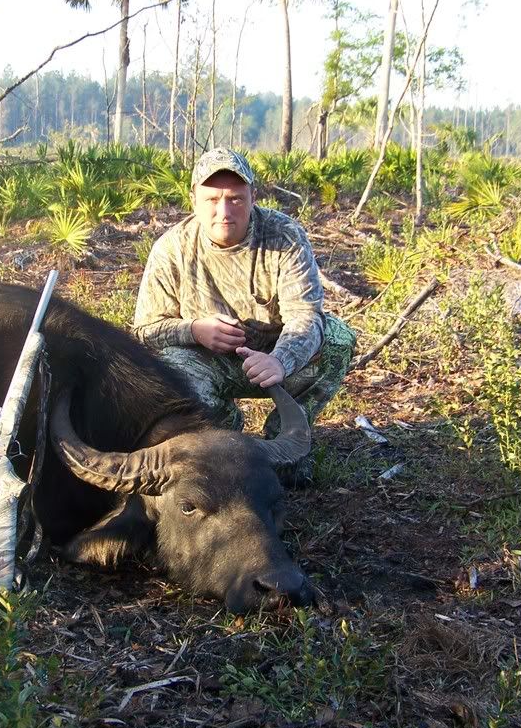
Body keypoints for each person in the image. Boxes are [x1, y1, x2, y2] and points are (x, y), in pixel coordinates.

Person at [132, 147, 356, 487]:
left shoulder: (284, 235)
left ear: (253, 196)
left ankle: (286, 441)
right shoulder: (172, 248)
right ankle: (221, 434)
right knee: (172, 368)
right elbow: (145, 331)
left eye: (235, 199)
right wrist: (194, 330)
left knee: (337, 338)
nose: (224, 211)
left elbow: (305, 315)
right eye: (212, 199)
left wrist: (280, 360)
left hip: (273, 359)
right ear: (194, 199)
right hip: (208, 360)